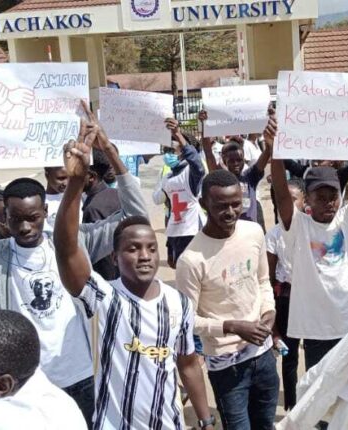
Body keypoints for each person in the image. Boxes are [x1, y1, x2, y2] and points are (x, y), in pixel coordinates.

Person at [0, 103, 147, 425]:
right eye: (15, 219)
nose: (24, 228)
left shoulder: (73, 245)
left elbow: (135, 217)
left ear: (46, 213)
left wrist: (109, 151)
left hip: (81, 375)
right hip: (20, 386)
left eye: (33, 219)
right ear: (4, 217)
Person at [53, 134, 216, 430]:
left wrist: (205, 418)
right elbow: (66, 250)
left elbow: (188, 363)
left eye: (151, 248)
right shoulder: (102, 298)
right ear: (114, 258)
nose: (144, 256)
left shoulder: (177, 302)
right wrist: (75, 183)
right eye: (133, 249)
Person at [271, 109, 348, 369]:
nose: (329, 202)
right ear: (307, 199)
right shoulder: (298, 225)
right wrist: (274, 149)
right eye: (321, 196)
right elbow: (282, 194)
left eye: (334, 196)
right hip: (317, 330)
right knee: (323, 396)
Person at [176, 168, 279, 430]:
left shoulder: (253, 232)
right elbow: (187, 321)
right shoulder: (191, 259)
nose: (231, 212)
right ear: (203, 205)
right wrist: (231, 326)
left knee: (265, 424)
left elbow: (263, 281)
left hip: (264, 356)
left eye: (236, 204)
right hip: (226, 367)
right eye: (221, 206)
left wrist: (269, 311)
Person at [265, 178, 305, 411]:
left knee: (314, 353)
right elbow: (269, 278)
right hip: (286, 301)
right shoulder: (273, 235)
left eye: (294, 199)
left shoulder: (312, 229)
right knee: (289, 355)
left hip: (310, 301)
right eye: (282, 200)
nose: (288, 204)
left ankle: (314, 405)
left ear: (304, 200)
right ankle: (291, 406)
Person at [199, 110, 272, 230]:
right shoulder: (220, 177)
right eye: (231, 161)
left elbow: (267, 153)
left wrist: (269, 130)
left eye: (239, 160)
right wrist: (203, 125)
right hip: (229, 230)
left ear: (244, 158)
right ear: (224, 160)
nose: (236, 164)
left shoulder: (250, 176)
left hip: (251, 229)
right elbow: (208, 152)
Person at [152, 118, 206, 269]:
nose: (168, 154)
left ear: (183, 153)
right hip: (175, 232)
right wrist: (169, 243)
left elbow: (197, 165)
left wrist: (178, 134)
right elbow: (167, 208)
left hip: (192, 230)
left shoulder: (190, 172)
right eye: (166, 151)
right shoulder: (168, 176)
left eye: (172, 150)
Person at [82, 147, 121, 280]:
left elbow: (102, 253)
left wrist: (106, 282)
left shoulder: (93, 208)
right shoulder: (116, 194)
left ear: (91, 177)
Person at [43, 166, 77, 234]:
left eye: (69, 178)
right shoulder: (40, 201)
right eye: (61, 178)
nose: (66, 183)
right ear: (47, 176)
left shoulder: (77, 197)